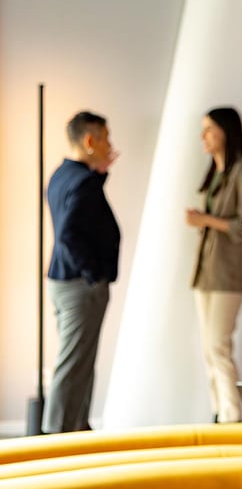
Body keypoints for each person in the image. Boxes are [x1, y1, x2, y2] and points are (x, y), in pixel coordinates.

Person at [43, 111, 120, 433]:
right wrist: (94, 275)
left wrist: (100, 174)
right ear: (90, 141)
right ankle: (55, 437)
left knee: (79, 362)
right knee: (74, 364)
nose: (110, 144)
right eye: (105, 137)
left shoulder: (63, 174)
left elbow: (79, 213)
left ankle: (75, 430)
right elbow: (69, 234)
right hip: (79, 286)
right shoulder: (83, 181)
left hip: (64, 282)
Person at [186, 106, 242, 424]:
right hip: (206, 272)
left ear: (226, 132)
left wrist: (207, 220)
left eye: (209, 129)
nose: (203, 136)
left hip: (229, 274)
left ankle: (231, 417)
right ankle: (220, 411)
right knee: (209, 349)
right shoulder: (217, 173)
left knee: (219, 345)